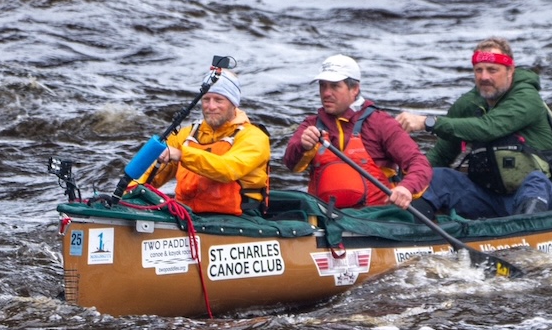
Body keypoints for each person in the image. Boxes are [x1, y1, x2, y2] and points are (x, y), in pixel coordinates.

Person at [396, 38, 552, 218]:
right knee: (436, 178)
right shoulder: (468, 104)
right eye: (479, 70)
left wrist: (428, 122)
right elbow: (442, 154)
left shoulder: (527, 98)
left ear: (510, 71)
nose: (484, 77)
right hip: (490, 198)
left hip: (542, 194)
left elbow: (488, 127)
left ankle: (525, 236)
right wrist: (408, 184)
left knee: (535, 181)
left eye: (492, 70)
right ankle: (408, 229)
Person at [284, 54, 432, 211]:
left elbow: (419, 163)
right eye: (323, 85)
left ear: (354, 89)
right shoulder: (311, 124)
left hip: (375, 216)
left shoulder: (380, 123)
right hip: (325, 217)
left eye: (334, 86)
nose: (326, 93)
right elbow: (290, 164)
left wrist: (406, 188)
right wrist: (302, 146)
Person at [141, 71, 271, 215]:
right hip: (187, 214)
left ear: (233, 104)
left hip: (240, 218)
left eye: (218, 100)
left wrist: (181, 154)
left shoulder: (254, 137)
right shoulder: (187, 134)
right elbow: (149, 174)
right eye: (206, 99)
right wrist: (127, 193)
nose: (211, 106)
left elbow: (228, 170)